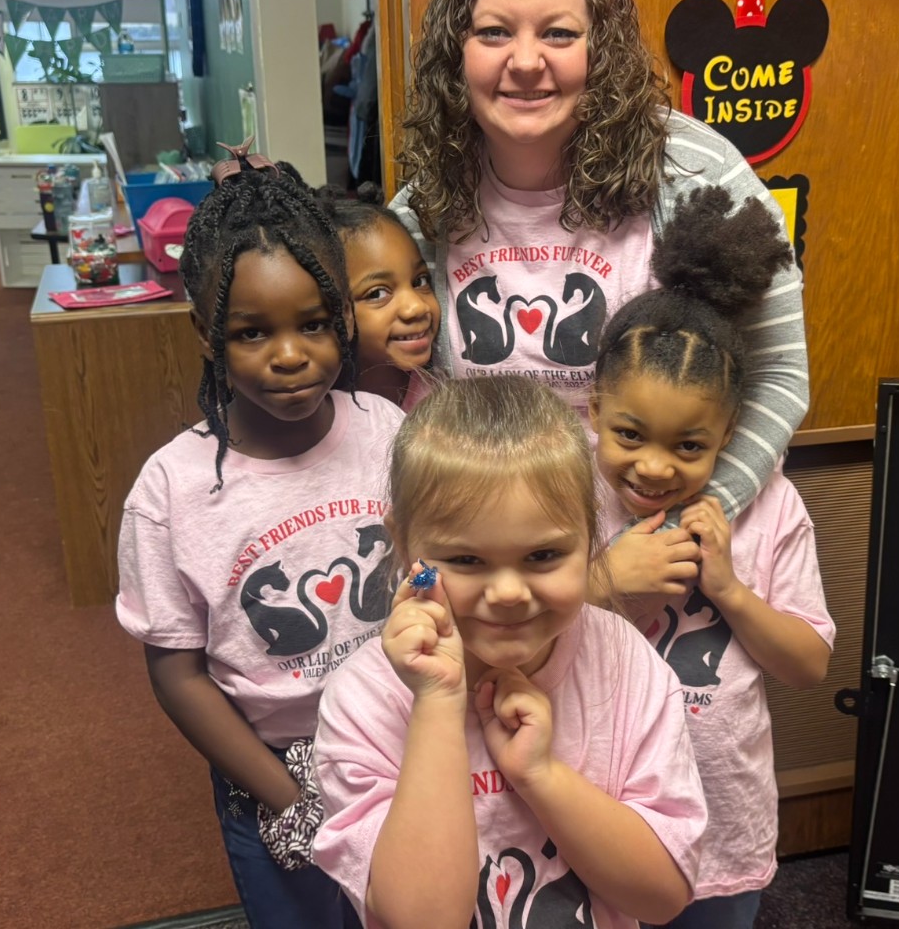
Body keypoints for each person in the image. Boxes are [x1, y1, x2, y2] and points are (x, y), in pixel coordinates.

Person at [391, 0, 808, 527]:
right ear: (456, 51)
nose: (526, 61)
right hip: (501, 563)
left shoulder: (700, 174)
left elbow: (778, 373)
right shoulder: (421, 211)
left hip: (671, 558)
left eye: (558, 33)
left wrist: (686, 528)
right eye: (494, 32)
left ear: (601, 47)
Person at [115, 143, 404, 929]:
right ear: (206, 332)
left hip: (404, 748)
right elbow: (177, 673)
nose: (290, 356)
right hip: (273, 773)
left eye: (315, 323)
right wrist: (293, 799)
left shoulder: (386, 433)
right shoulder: (170, 493)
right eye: (251, 334)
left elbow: (427, 576)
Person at [311, 375, 709, 929]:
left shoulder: (626, 664)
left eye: (544, 554)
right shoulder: (365, 699)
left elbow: (663, 896)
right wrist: (437, 703)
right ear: (404, 545)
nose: (507, 594)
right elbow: (423, 920)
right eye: (467, 560)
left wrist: (541, 775)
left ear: (592, 538)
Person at [588, 185, 836, 929]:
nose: (655, 468)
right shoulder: (564, 490)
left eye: (689, 446)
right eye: (629, 434)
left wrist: (728, 588)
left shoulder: (768, 509)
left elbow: (808, 666)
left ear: (727, 435)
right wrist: (603, 581)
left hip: (724, 814)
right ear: (593, 411)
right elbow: (510, 623)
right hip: (601, 808)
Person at [329, 183, 441, 409]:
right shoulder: (322, 414)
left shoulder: (443, 402)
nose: (416, 307)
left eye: (420, 281)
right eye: (378, 293)